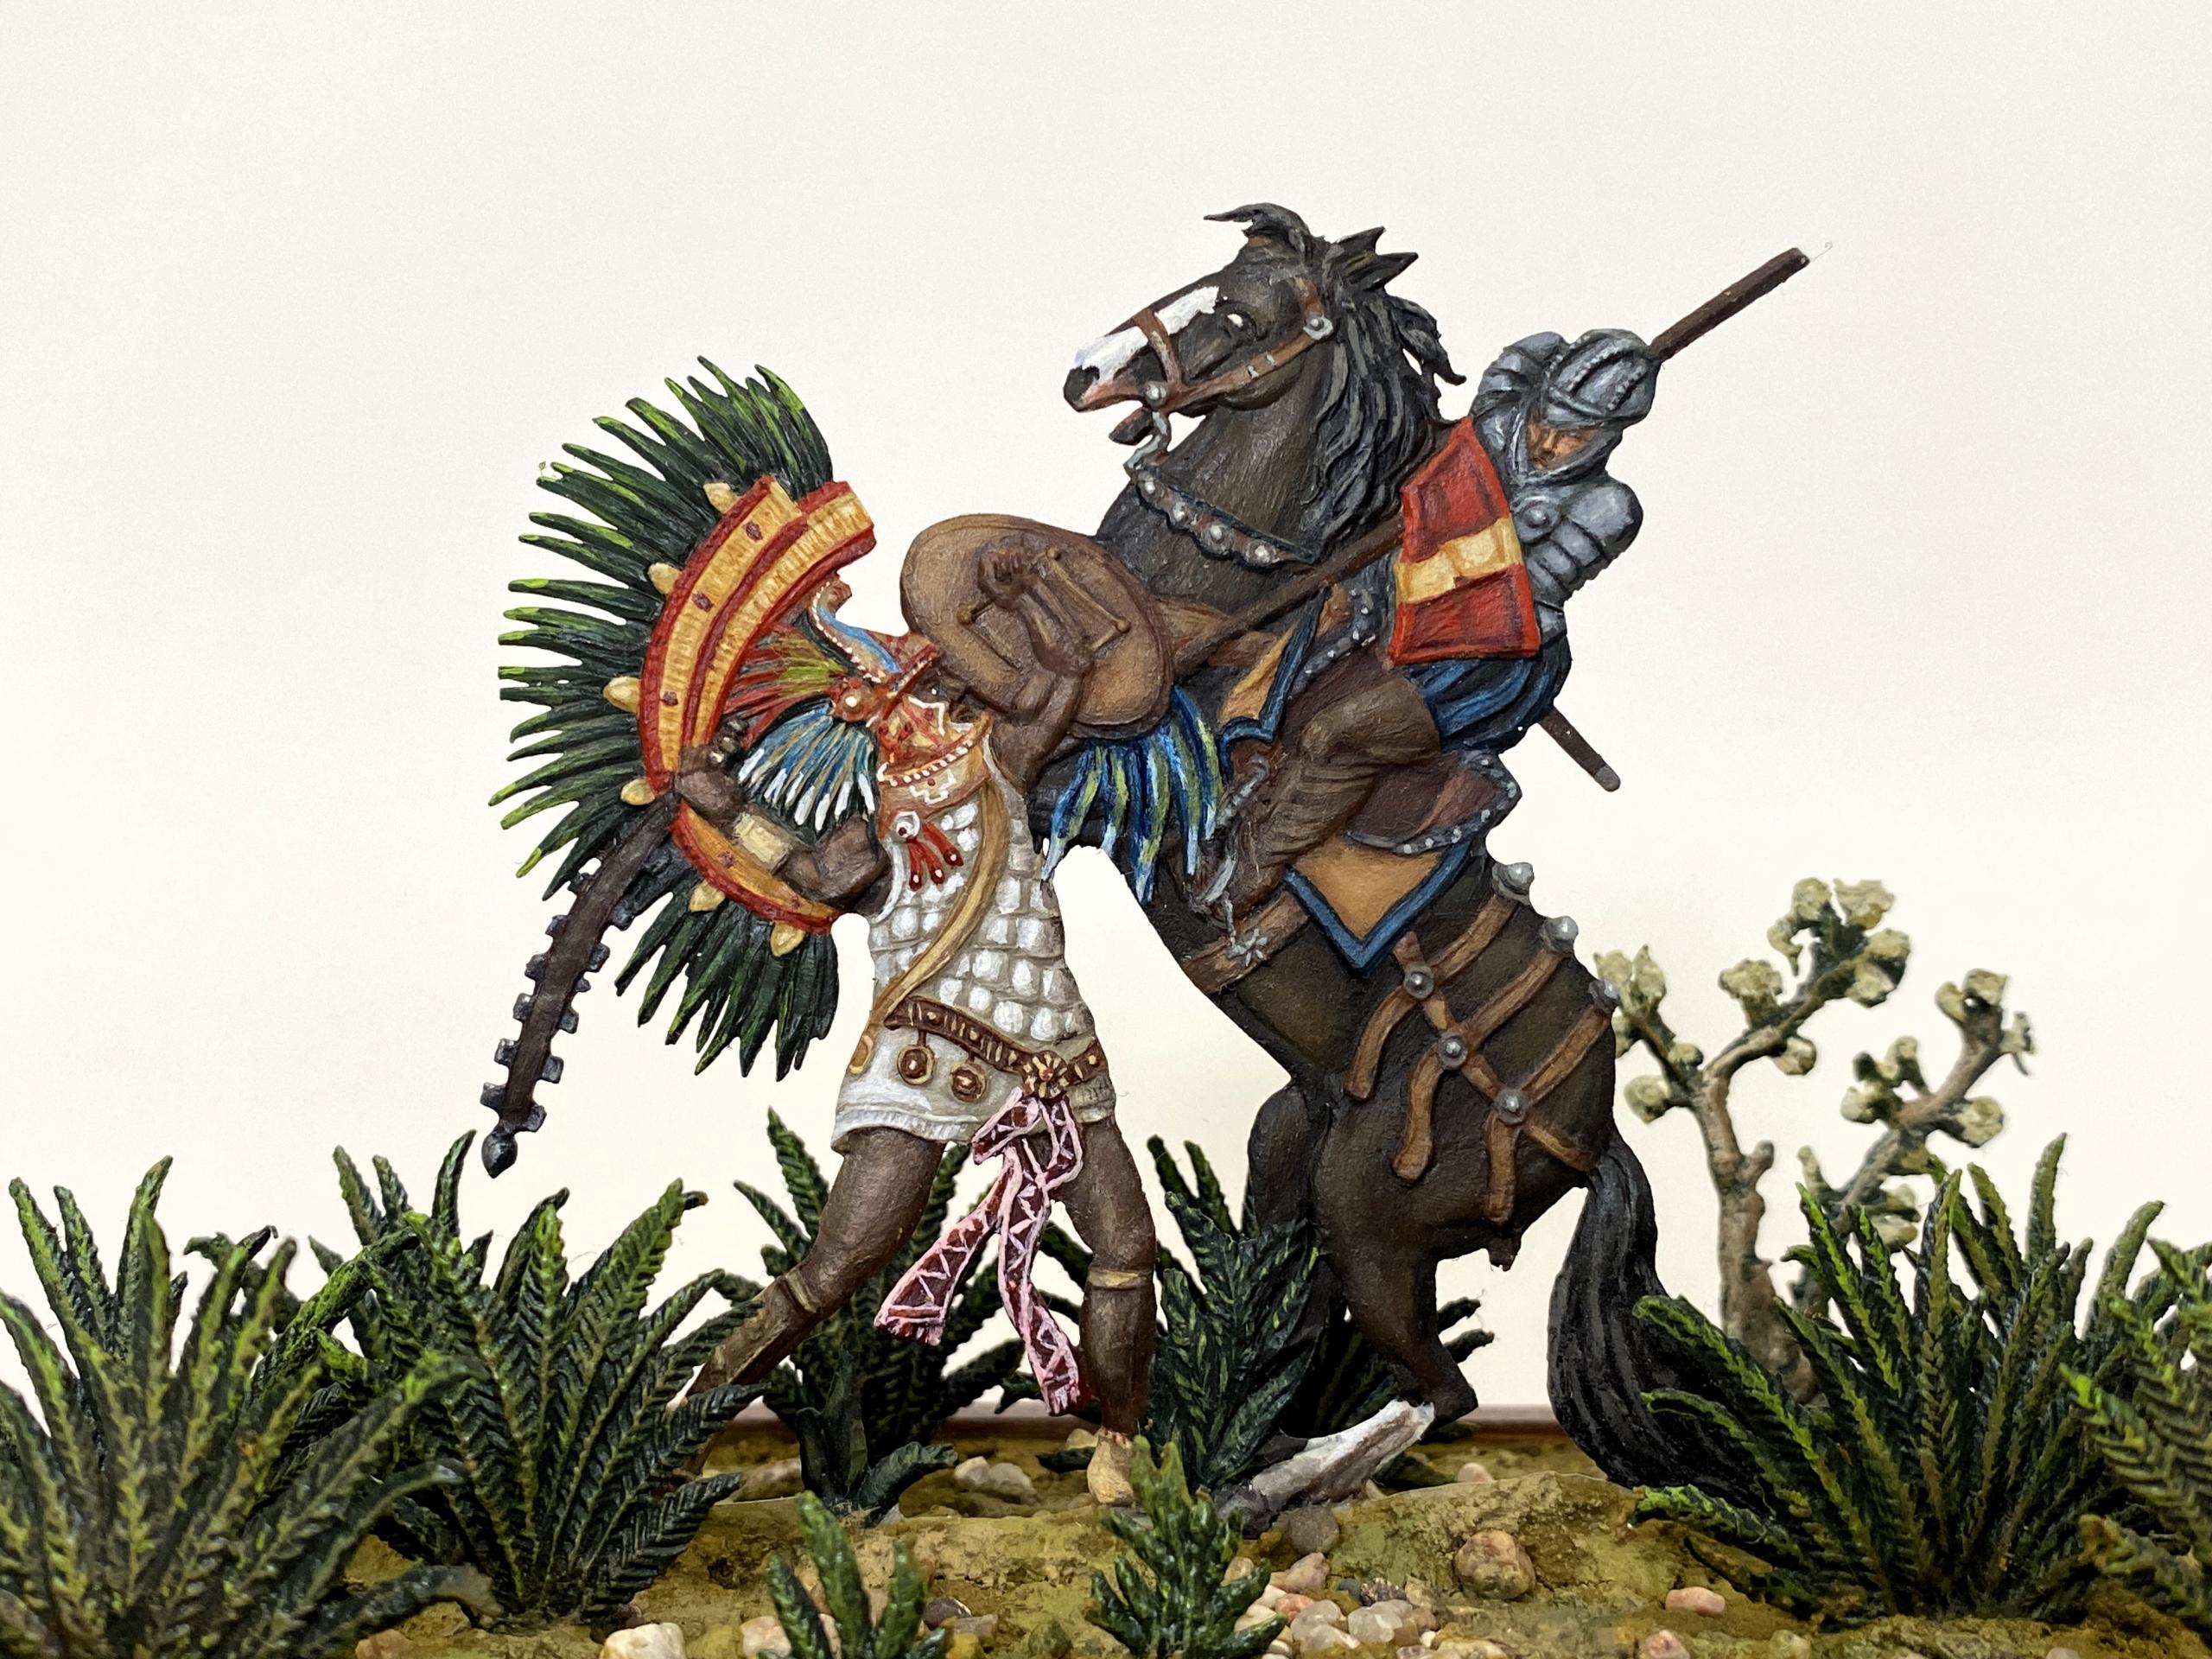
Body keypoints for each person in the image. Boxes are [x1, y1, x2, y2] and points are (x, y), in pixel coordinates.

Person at [677, 545, 1156, 1507]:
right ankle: (680, 1427)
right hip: (925, 1049)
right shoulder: (872, 833)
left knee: (1124, 1249)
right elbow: (809, 876)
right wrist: (726, 808)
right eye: (919, 692)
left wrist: (1032, 593)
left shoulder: (999, 762)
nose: (933, 704)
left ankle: (1121, 1445)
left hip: (1050, 1048)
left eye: (937, 687)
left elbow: (1063, 678)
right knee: (840, 1265)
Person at [1205, 327, 1660, 919]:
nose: (1549, 443)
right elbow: (1518, 359)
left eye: (1575, 435)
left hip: (1488, 658)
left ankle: (1252, 872)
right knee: (1292, 657)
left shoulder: (1609, 508)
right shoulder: (1499, 420)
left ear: (1608, 436)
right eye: (1545, 420)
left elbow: (1522, 592)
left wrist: (1440, 548)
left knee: (1338, 733)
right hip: (1397, 590)